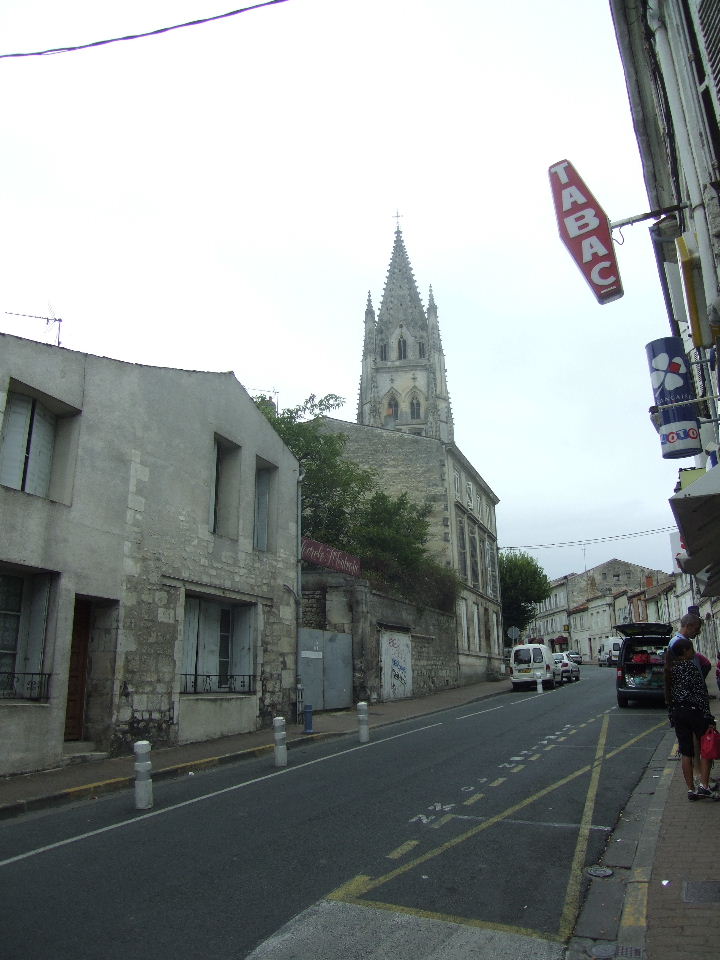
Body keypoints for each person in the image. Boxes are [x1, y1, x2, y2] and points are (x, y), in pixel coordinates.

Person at [664, 636, 719, 801]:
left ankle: (691, 789)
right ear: (684, 651)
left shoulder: (670, 670)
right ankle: (704, 786)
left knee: (686, 752)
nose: (693, 653)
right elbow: (701, 694)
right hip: (695, 712)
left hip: (679, 713)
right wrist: (709, 718)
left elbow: (668, 696)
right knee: (706, 747)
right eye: (691, 650)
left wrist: (672, 716)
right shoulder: (691, 668)